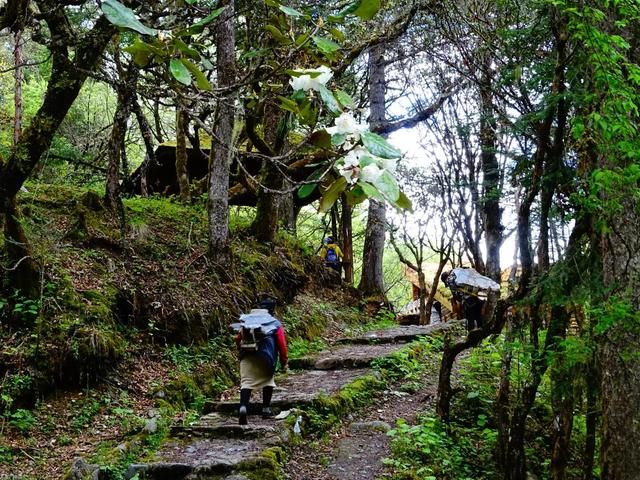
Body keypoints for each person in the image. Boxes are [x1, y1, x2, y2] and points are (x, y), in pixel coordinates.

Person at [235, 298, 288, 425]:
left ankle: (243, 408)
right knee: (268, 381)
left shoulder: (247, 321)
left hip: (247, 355)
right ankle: (265, 409)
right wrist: (284, 361)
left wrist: (242, 351)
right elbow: (281, 343)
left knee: (246, 382)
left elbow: (238, 339)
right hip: (265, 357)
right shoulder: (274, 323)